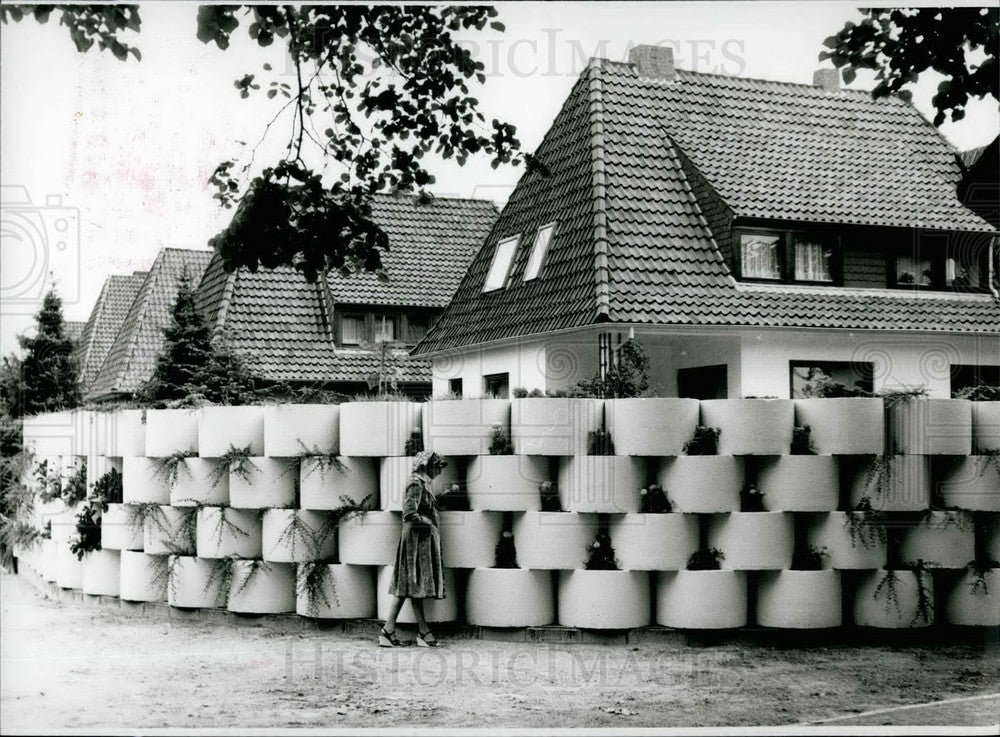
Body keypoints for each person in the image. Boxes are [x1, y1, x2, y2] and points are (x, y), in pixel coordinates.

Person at [379, 450, 447, 647]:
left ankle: (395, 631)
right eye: (437, 466)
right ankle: (413, 632)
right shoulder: (415, 482)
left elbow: (423, 508)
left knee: (411, 585)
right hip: (415, 542)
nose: (439, 471)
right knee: (409, 584)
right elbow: (409, 514)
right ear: (427, 465)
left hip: (420, 541)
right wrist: (429, 524)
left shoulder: (423, 483)